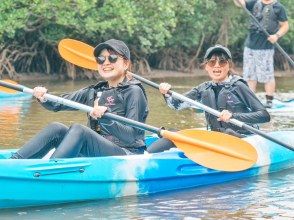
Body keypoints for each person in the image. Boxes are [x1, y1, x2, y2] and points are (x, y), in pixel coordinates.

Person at [10, 39, 149, 159]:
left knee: (79, 130)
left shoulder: (134, 91)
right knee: (56, 128)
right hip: (98, 151)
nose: (105, 63)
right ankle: (13, 163)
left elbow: (131, 137)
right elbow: (59, 103)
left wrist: (106, 118)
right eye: (101, 59)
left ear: (125, 64)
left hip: (126, 154)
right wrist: (43, 96)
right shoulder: (95, 91)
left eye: (112, 58)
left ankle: (52, 172)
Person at [147, 44, 270, 153]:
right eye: (212, 62)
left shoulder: (239, 86)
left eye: (222, 62)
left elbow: (264, 115)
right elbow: (176, 105)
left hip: (243, 138)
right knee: (172, 133)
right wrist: (166, 93)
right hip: (217, 139)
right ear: (206, 66)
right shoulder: (203, 88)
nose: (217, 66)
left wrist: (233, 116)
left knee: (228, 133)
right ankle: (145, 157)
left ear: (228, 66)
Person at [233, 0, 289, 108]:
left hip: (265, 47)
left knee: (267, 75)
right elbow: (240, 4)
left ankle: (269, 101)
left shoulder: (278, 7)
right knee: (249, 75)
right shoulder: (254, 2)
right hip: (250, 46)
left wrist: (276, 36)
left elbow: (285, 25)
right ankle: (250, 100)